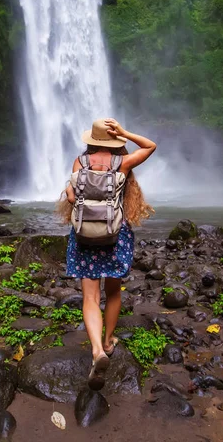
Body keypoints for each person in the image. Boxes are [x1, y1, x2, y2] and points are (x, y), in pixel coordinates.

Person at [56, 118, 156, 389]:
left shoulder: (80, 162)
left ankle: (96, 350)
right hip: (115, 235)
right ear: (114, 141)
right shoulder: (122, 164)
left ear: (91, 139)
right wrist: (126, 133)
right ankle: (109, 341)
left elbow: (73, 197)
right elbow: (150, 146)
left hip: (85, 235)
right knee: (113, 291)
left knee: (90, 296)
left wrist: (69, 191)